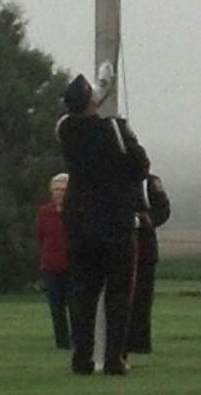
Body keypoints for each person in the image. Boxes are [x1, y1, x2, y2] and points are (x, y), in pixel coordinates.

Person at [56, 65, 149, 375]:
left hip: (80, 223)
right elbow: (140, 166)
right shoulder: (114, 130)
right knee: (119, 294)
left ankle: (81, 357)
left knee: (83, 293)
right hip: (114, 221)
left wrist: (100, 89)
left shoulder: (66, 130)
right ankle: (114, 358)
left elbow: (80, 113)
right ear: (91, 104)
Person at [125, 172, 171, 356]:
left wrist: (143, 220)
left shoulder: (148, 182)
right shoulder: (111, 178)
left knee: (142, 299)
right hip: (118, 246)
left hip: (144, 249)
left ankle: (140, 344)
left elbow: (163, 210)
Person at [36, 172, 72, 350]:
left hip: (73, 267)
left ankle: (79, 341)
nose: (59, 193)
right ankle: (62, 343)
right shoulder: (44, 213)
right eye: (56, 189)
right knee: (56, 308)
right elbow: (40, 237)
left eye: (63, 189)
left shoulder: (75, 212)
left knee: (76, 307)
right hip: (50, 267)